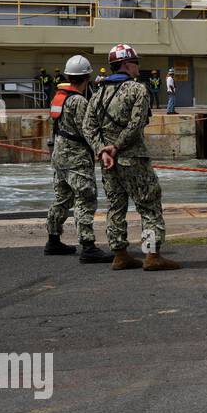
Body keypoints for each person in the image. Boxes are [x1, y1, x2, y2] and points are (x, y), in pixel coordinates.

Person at [82, 43, 179, 271]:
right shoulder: (138, 90)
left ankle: (120, 254)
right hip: (133, 158)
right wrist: (116, 147)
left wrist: (102, 149)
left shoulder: (98, 93)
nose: (138, 67)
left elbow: (88, 127)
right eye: (136, 62)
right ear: (126, 64)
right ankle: (152, 255)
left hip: (109, 162)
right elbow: (136, 124)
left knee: (116, 206)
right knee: (148, 204)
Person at [43, 55, 114, 263]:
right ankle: (88, 246)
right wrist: (102, 150)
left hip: (59, 155)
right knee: (85, 197)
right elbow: (89, 130)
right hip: (76, 157)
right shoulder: (79, 101)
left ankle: (53, 240)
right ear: (87, 77)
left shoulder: (59, 98)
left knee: (62, 198)